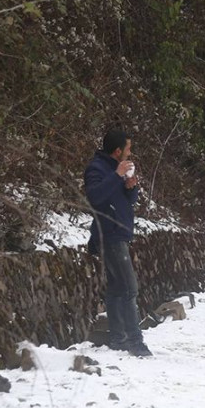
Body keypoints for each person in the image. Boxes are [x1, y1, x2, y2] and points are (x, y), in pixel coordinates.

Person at [84, 128, 152, 357]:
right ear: (117, 151)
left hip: (119, 233)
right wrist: (116, 176)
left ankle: (117, 338)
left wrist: (131, 188)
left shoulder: (116, 169)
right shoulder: (97, 168)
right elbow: (95, 197)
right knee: (129, 288)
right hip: (109, 236)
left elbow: (127, 201)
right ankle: (135, 342)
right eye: (128, 148)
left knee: (115, 289)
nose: (130, 152)